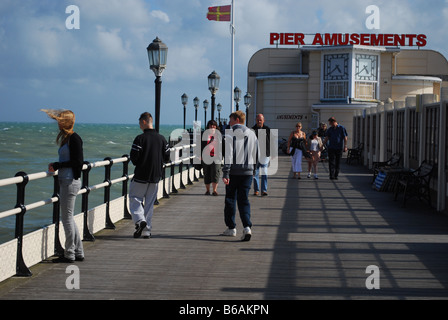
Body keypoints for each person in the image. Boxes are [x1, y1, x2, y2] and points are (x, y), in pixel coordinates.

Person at [42, 109, 84, 263]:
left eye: (60, 120)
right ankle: (78, 252)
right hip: (66, 180)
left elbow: (78, 162)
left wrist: (58, 164)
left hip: (69, 181)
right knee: (69, 217)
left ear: (66, 122)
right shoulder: (67, 138)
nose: (58, 123)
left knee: (66, 218)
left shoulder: (74, 138)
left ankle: (70, 254)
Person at [129, 112, 170, 238]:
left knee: (135, 199)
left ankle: (140, 220)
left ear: (145, 122)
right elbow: (167, 157)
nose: (139, 125)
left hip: (141, 175)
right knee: (149, 204)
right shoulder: (162, 139)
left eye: (140, 122)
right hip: (155, 176)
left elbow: (134, 158)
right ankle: (146, 231)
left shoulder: (140, 139)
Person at [221, 110, 258, 241]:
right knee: (244, 200)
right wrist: (254, 170)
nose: (229, 123)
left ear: (237, 120)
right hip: (248, 172)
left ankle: (231, 228)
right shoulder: (252, 134)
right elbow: (256, 153)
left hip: (234, 172)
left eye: (231, 120)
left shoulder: (231, 133)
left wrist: (226, 172)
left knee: (230, 199)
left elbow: (229, 154)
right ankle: (247, 227)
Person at [252, 114, 270, 196]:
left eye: (260, 120)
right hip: (254, 155)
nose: (259, 121)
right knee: (255, 173)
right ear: (256, 120)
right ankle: (256, 190)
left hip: (265, 154)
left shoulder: (267, 129)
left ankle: (264, 190)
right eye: (258, 120)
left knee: (264, 173)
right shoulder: (252, 130)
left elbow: (271, 141)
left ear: (263, 120)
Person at [202, 120, 221, 196]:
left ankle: (214, 190)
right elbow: (200, 145)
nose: (212, 127)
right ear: (208, 126)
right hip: (206, 156)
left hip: (216, 156)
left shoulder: (219, 135)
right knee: (207, 173)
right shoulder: (204, 135)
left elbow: (223, 146)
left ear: (216, 127)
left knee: (216, 172)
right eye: (211, 125)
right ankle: (207, 190)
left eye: (214, 125)